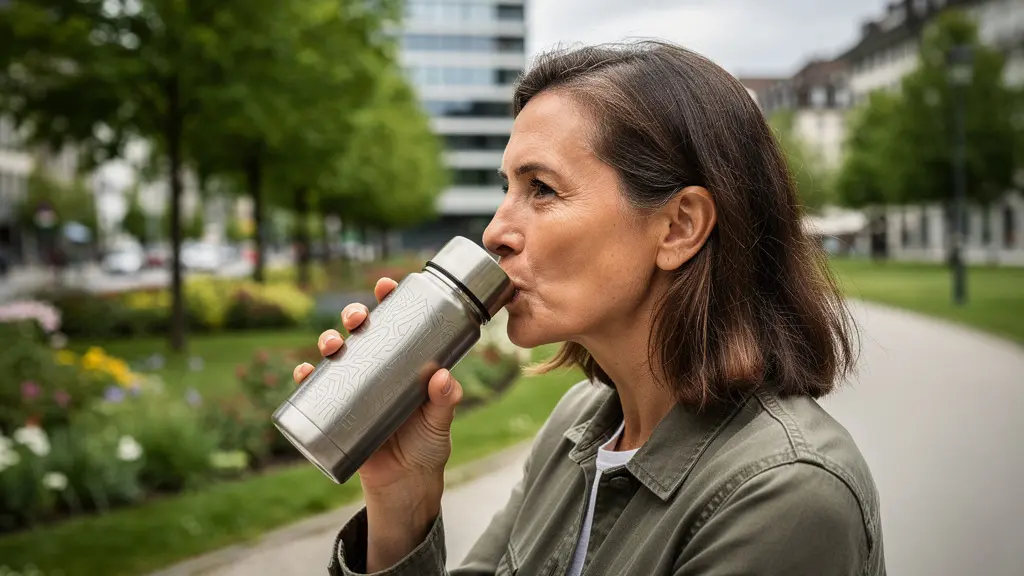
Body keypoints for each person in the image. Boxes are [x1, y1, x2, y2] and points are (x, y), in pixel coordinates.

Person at [293, 40, 885, 576]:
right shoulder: (579, 427)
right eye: (507, 189)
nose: (496, 231)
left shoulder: (785, 493)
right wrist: (403, 502)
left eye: (541, 189)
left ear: (678, 227)